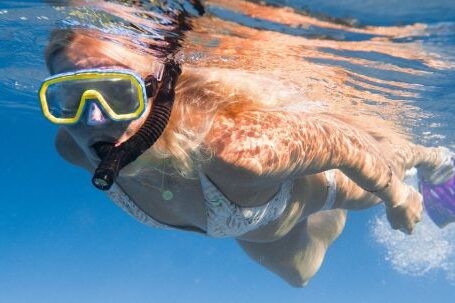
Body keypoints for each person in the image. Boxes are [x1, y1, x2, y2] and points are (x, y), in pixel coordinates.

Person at [39, 0, 454, 287]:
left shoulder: (236, 151)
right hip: (257, 228)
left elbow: (344, 143)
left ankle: (433, 158)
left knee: (385, 174)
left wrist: (397, 195)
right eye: (69, 99)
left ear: (162, 89)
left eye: (119, 93)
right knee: (300, 276)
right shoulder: (72, 145)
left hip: (305, 188)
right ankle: (328, 223)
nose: (94, 119)